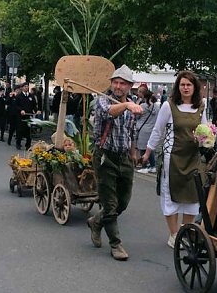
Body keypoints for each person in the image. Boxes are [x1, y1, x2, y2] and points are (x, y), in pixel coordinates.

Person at [142, 70, 208, 249]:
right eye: (182, 85)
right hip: (173, 157)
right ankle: (173, 234)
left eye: (189, 85)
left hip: (193, 157)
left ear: (194, 87)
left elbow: (205, 130)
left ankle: (185, 231)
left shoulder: (200, 106)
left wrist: (205, 139)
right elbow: (158, 131)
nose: (186, 88)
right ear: (178, 87)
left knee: (193, 196)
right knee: (171, 195)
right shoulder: (168, 106)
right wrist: (148, 152)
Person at [87, 65, 143, 261]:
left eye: (122, 83)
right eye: (115, 82)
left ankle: (96, 221)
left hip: (125, 157)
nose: (118, 86)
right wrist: (126, 106)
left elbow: (132, 130)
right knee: (110, 205)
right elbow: (110, 112)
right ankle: (116, 244)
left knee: (123, 202)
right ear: (111, 83)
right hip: (105, 157)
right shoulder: (102, 100)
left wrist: (134, 151)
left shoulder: (133, 102)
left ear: (129, 86)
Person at [135, 89, 159, 173]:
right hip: (152, 129)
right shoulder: (156, 106)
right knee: (149, 148)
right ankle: (153, 166)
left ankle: (144, 166)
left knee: (142, 149)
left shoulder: (142, 106)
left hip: (143, 130)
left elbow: (136, 116)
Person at [14, 82, 38, 150]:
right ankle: (18, 143)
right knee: (20, 130)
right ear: (22, 88)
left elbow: (34, 105)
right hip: (21, 116)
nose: (26, 88)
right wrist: (21, 110)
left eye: (27, 86)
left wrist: (36, 110)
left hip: (28, 116)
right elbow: (16, 105)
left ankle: (28, 145)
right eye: (25, 86)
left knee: (28, 131)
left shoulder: (31, 96)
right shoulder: (19, 96)